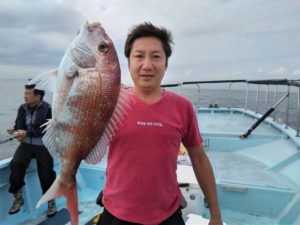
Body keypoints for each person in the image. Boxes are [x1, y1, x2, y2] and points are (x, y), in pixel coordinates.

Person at [97, 22, 223, 225]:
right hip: (115, 214)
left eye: (156, 56)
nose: (147, 65)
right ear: (128, 62)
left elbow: (199, 159)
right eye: (139, 56)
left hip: (167, 215)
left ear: (166, 64)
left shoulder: (183, 107)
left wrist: (216, 214)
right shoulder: (109, 104)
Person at [6, 84, 57, 217]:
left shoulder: (48, 109)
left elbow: (47, 129)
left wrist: (27, 133)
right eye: (25, 93)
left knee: (46, 174)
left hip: (43, 145)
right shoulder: (22, 108)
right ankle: (18, 198)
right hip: (26, 146)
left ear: (38, 96)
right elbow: (18, 125)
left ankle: (51, 202)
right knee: (16, 164)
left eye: (28, 94)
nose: (25, 96)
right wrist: (15, 131)